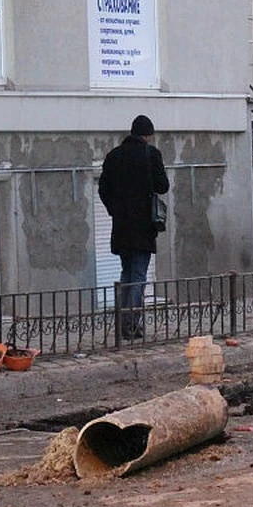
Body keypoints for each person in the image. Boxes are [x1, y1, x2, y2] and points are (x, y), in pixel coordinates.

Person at [99, 114, 170, 339]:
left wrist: (114, 209)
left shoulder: (114, 156)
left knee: (127, 272)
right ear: (148, 135)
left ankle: (125, 321)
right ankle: (130, 324)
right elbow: (163, 186)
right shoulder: (151, 155)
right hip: (143, 226)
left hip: (121, 226)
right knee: (138, 274)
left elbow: (103, 189)